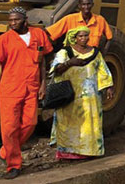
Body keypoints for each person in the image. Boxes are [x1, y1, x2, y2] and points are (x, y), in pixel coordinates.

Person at [0, 7, 53, 179]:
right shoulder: (3, 40)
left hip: (32, 88)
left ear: (25, 19)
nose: (12, 23)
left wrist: (44, 84)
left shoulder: (39, 35)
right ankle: (13, 165)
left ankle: (4, 151)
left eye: (16, 20)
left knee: (30, 124)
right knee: (9, 129)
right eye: (10, 20)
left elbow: (42, 61)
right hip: (10, 90)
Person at [49, 27, 114, 160]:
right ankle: (68, 152)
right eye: (81, 36)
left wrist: (109, 87)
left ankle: (89, 151)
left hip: (91, 96)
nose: (83, 39)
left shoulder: (95, 53)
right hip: (69, 95)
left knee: (90, 123)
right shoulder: (65, 52)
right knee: (69, 122)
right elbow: (56, 70)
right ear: (75, 38)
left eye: (86, 36)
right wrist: (69, 63)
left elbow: (103, 70)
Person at [46, 0, 112, 51]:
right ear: (79, 6)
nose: (86, 7)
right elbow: (49, 33)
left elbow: (109, 38)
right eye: (83, 4)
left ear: (92, 5)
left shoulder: (100, 20)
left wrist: (103, 54)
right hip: (73, 58)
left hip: (91, 58)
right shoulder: (69, 19)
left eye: (88, 4)